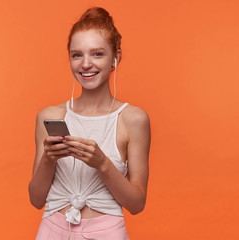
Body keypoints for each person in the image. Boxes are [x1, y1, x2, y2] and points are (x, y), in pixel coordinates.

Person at [28, 7, 151, 240]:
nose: (86, 64)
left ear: (116, 57)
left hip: (107, 233)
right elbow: (36, 200)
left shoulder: (133, 119)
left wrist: (102, 163)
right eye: (77, 55)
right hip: (52, 231)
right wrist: (49, 158)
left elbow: (137, 204)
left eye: (97, 54)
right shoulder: (49, 116)